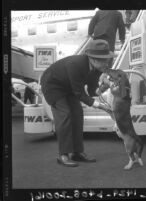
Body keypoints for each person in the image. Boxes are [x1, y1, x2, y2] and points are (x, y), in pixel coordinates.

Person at [41, 39, 114, 167]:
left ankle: (77, 152)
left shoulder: (97, 69)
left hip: (69, 87)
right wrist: (101, 107)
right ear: (93, 58)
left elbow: (91, 92)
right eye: (104, 59)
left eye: (107, 59)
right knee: (65, 114)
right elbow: (80, 94)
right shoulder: (77, 64)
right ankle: (63, 155)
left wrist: (105, 87)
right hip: (53, 85)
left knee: (78, 113)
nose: (107, 63)